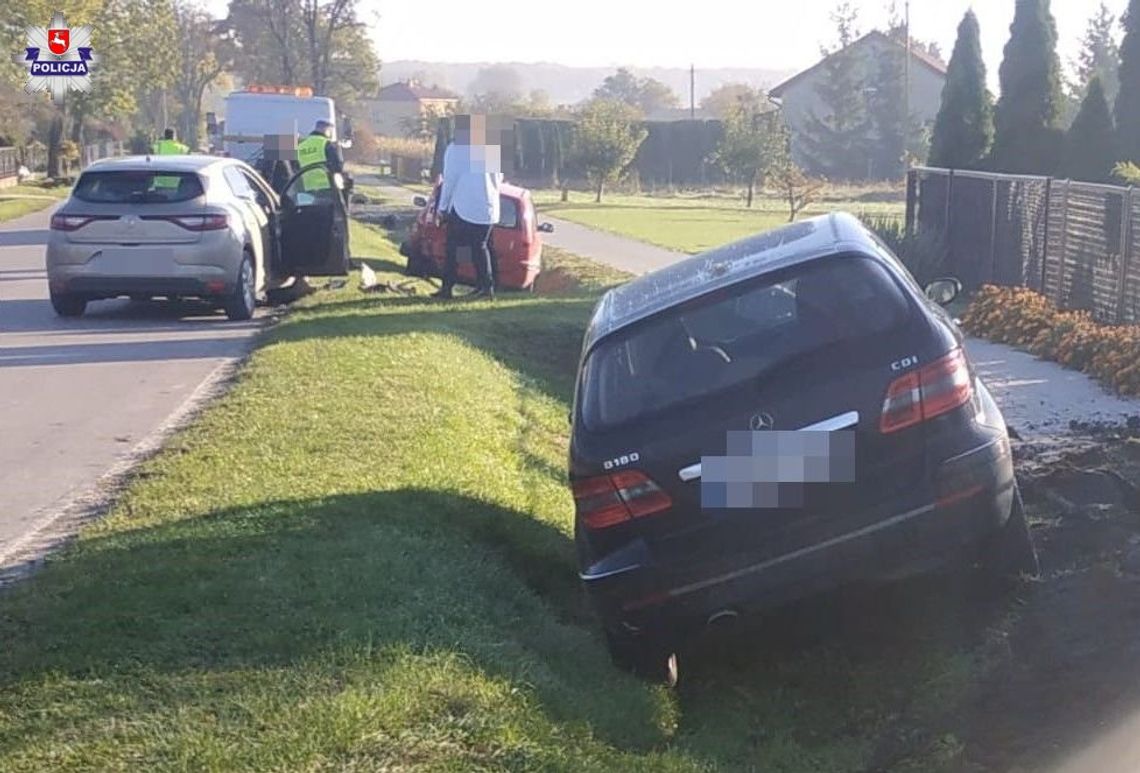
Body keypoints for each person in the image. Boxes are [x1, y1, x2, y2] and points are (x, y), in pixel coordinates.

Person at [433, 114, 503, 300]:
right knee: (482, 247)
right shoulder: (492, 150)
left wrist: (442, 208)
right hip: (488, 207)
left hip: (464, 205)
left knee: (454, 249)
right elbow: (498, 179)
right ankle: (486, 287)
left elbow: (450, 181)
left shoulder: (456, 150)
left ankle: (448, 287)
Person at [296, 119, 345, 199]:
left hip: (307, 188)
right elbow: (338, 167)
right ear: (326, 130)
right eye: (331, 131)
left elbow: (296, 168)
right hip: (327, 187)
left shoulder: (300, 146)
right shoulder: (327, 144)